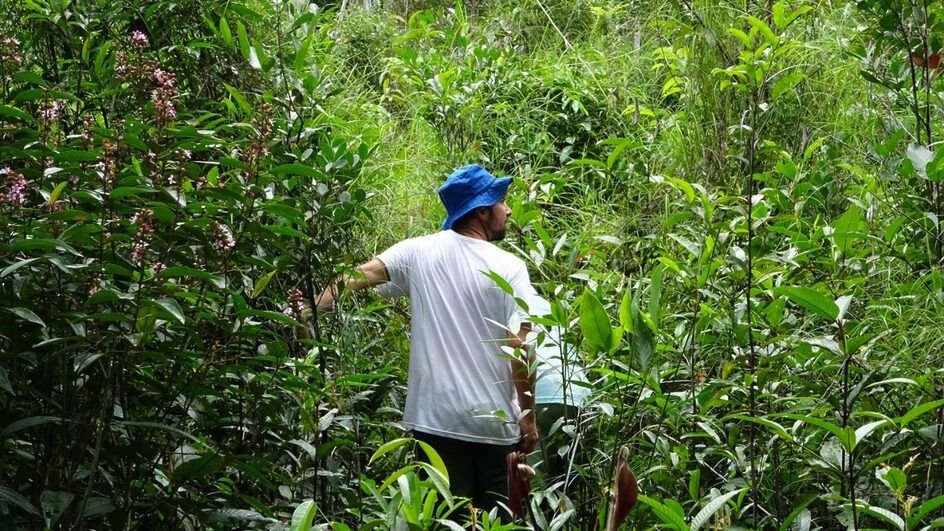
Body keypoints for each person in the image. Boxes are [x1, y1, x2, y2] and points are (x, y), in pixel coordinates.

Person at [313, 164, 539, 512]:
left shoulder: (417, 252)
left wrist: (303, 315)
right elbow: (520, 345)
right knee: (498, 520)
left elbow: (353, 279)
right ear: (481, 211)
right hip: (494, 428)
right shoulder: (510, 266)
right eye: (502, 201)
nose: (507, 210)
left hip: (435, 425)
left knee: (442, 518)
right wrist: (528, 416)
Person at [526, 296, 591, 485]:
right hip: (577, 395)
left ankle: (538, 512)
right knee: (569, 476)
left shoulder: (508, 302)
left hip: (539, 395)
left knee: (535, 478)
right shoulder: (549, 305)